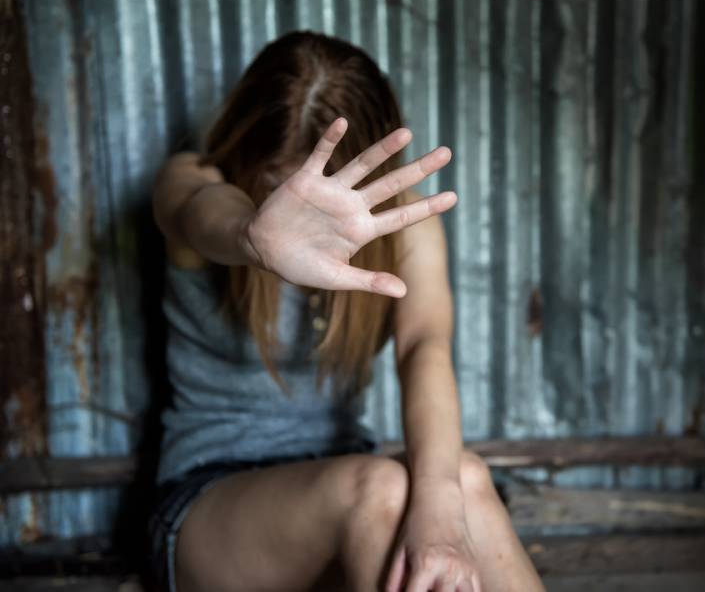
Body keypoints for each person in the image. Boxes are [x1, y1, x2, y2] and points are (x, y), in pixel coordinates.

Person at [147, 30, 545, 592]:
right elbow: (197, 210)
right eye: (279, 186)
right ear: (247, 147)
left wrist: (440, 507)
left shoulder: (402, 226)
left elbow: (423, 347)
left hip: (349, 487)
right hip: (212, 503)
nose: (306, 215)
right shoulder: (192, 180)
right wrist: (251, 235)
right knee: (378, 490)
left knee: (463, 477)